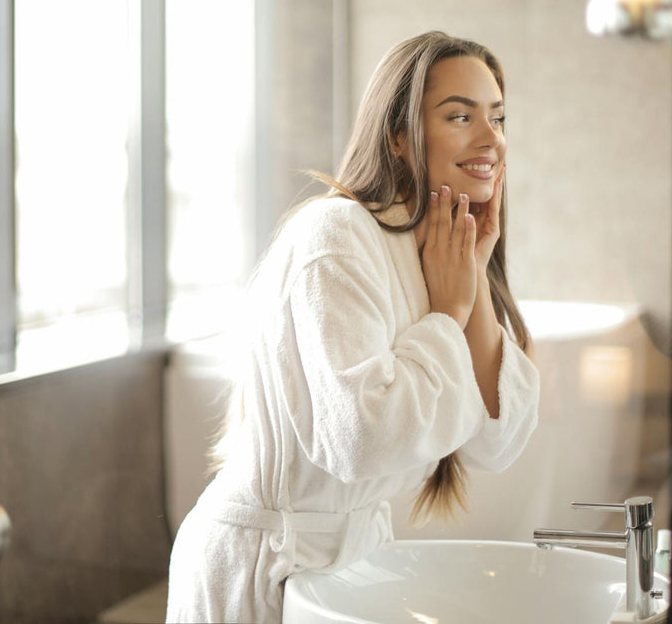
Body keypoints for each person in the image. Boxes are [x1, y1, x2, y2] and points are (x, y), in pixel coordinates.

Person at [166, 31, 540, 623]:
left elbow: (499, 441)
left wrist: (472, 281)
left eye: (497, 117)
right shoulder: (336, 235)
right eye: (460, 115)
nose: (490, 138)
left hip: (354, 563)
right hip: (263, 567)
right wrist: (446, 315)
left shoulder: (442, 252)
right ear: (399, 136)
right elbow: (360, 439)